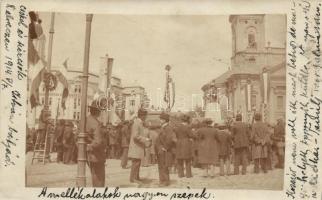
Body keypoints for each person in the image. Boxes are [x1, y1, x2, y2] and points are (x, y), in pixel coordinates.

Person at [86, 100, 107, 187]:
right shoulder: (96, 124)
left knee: (94, 174)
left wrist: (87, 147)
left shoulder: (86, 120)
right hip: (96, 154)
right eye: (100, 111)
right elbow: (98, 142)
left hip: (89, 154)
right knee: (99, 178)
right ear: (97, 112)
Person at [128, 108, 151, 184]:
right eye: (145, 115)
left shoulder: (139, 122)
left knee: (137, 163)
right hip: (136, 147)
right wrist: (145, 139)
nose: (146, 117)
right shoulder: (137, 123)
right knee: (135, 163)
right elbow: (135, 136)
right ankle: (133, 178)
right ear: (142, 115)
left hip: (138, 147)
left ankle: (136, 177)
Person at [155, 112, 177, 186]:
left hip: (165, 150)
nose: (160, 120)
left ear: (165, 120)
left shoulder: (168, 128)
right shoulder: (163, 127)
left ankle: (165, 181)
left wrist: (165, 147)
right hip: (160, 149)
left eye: (161, 119)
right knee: (161, 165)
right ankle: (162, 180)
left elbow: (169, 139)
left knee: (164, 166)